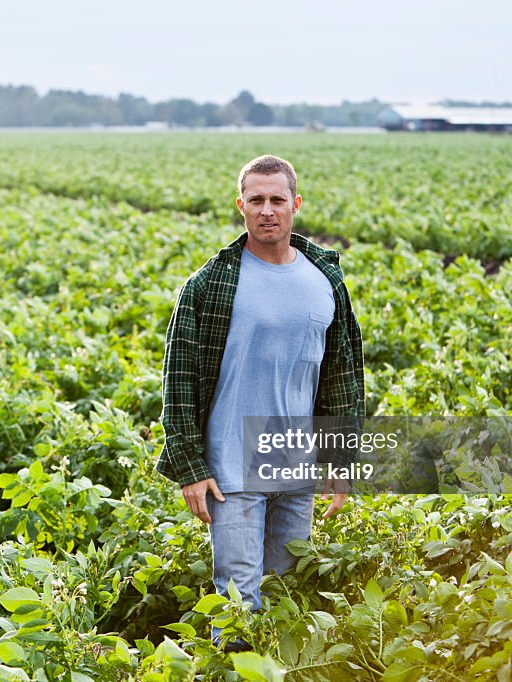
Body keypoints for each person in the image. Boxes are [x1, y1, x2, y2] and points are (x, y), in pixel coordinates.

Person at [157, 155, 365, 650]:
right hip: (231, 467)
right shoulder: (209, 284)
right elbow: (180, 380)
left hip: (297, 466)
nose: (266, 210)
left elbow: (341, 376)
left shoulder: (325, 280)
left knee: (287, 596)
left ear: (295, 204)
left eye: (276, 199)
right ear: (241, 206)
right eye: (256, 200)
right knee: (237, 603)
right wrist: (189, 465)